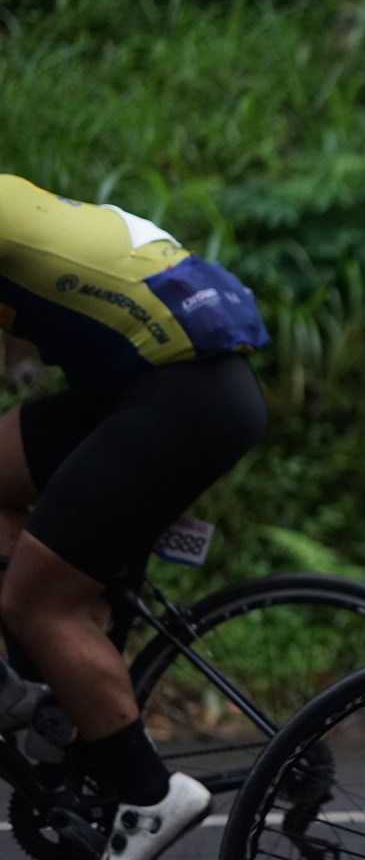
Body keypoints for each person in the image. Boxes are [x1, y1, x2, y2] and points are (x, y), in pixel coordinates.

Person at [0, 174, 270, 860]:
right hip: (166, 384)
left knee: (37, 601)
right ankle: (47, 695)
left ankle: (150, 795)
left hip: (181, 397)